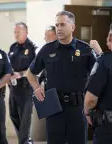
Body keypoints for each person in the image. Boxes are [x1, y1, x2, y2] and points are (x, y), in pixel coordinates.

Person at [26, 11, 96, 144]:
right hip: (54, 108)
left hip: (77, 108)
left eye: (62, 24)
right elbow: (30, 73)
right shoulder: (47, 50)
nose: (58, 28)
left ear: (72, 27)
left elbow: (98, 76)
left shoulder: (85, 50)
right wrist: (36, 87)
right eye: (57, 25)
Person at [84, 22, 112, 144]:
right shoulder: (104, 60)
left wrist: (87, 113)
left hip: (109, 129)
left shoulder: (104, 62)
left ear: (110, 37)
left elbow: (90, 100)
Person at [8, 22, 37, 144]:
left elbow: (35, 69)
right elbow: (9, 65)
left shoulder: (33, 48)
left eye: (18, 32)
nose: (15, 35)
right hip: (13, 88)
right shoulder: (13, 47)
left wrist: (20, 74)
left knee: (25, 119)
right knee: (13, 115)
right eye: (14, 32)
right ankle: (25, 141)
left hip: (26, 88)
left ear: (26, 32)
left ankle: (24, 141)